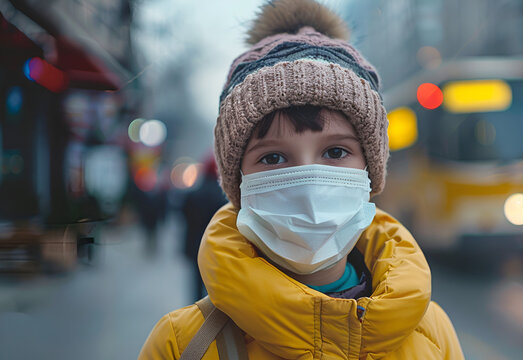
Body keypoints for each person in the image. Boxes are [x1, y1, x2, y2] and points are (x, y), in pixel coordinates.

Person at [139, 0, 464, 359]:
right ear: (239, 183)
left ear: (370, 173)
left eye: (336, 152)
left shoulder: (434, 333)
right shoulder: (182, 344)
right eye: (273, 157)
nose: (308, 182)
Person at [180, 155, 227, 302]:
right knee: (214, 284)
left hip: (195, 246)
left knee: (196, 282)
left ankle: (196, 312)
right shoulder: (223, 197)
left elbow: (184, 217)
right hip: (215, 248)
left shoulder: (193, 194)